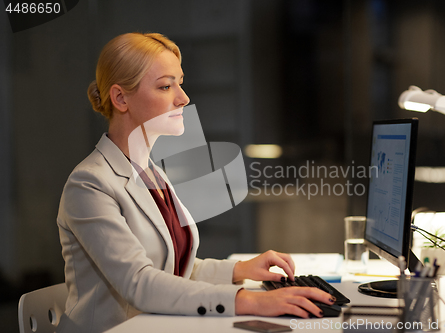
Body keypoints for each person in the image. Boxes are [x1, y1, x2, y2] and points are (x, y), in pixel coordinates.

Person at [56, 32, 334, 333]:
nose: (183, 98)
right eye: (165, 86)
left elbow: (174, 269)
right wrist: (250, 302)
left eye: (180, 82)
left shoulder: (151, 173)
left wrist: (240, 270)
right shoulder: (89, 184)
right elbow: (139, 282)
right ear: (121, 98)